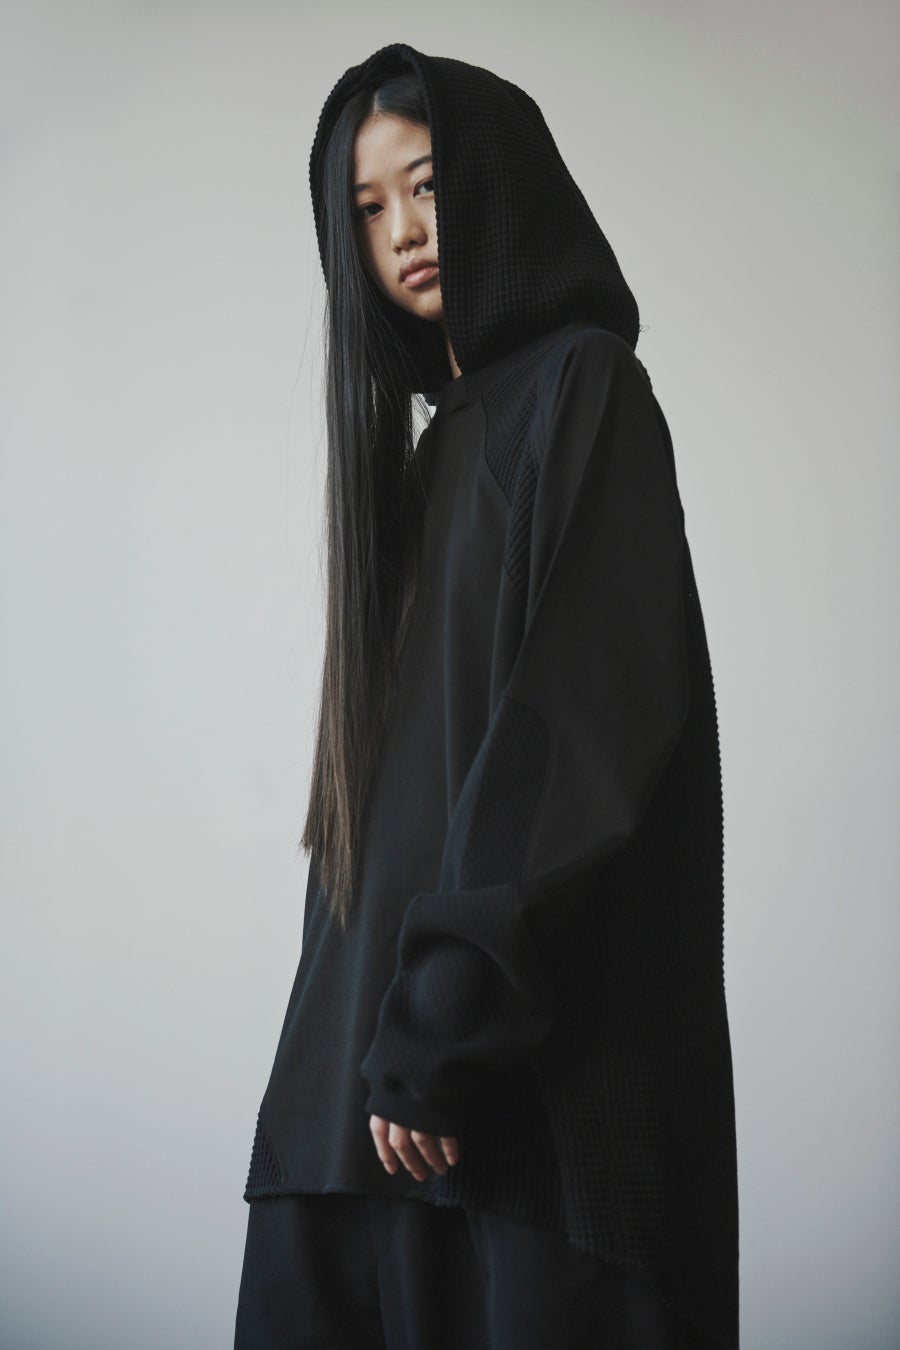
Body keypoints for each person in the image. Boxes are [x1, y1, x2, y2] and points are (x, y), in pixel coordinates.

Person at [234, 42, 740, 1350]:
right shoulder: (417, 464)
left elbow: (575, 728)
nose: (403, 230)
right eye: (368, 208)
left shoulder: (585, 389)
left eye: (425, 185)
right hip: (360, 1108)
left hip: (508, 1109)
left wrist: (441, 1024)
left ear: (497, 183)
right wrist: (362, 1056)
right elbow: (385, 814)